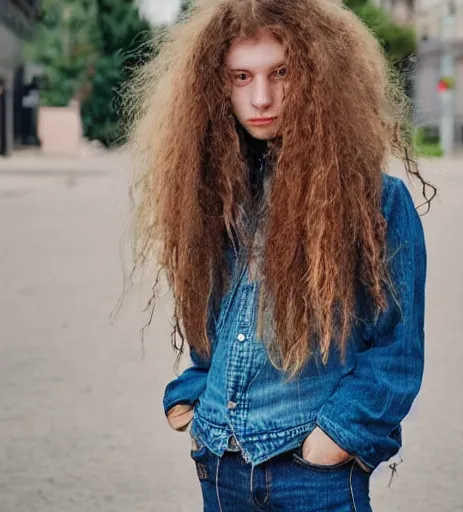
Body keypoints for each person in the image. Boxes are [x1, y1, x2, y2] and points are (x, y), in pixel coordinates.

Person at [127, 0, 435, 510]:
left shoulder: (377, 201)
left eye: (282, 72)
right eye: (241, 77)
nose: (261, 97)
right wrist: (198, 386)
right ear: (214, 86)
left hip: (312, 476)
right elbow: (218, 321)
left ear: (318, 74)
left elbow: (396, 352)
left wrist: (336, 439)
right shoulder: (217, 193)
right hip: (220, 467)